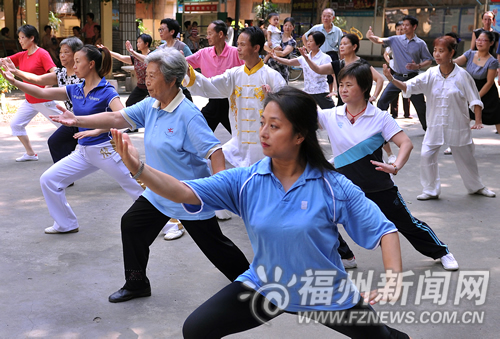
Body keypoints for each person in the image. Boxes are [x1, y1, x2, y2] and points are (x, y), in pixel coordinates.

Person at [110, 86, 411, 339]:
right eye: (262, 122)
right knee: (196, 329)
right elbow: (183, 192)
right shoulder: (246, 180)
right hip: (266, 286)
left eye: (274, 126)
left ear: (299, 135)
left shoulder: (333, 187)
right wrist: (139, 168)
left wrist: (393, 279)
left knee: (381, 337)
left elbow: (384, 230)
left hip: (322, 292)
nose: (263, 133)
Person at [49, 48, 250, 302]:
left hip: (188, 195)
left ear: (172, 79)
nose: (146, 81)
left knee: (216, 247)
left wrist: (218, 186)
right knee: (131, 225)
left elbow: (215, 151)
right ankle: (136, 284)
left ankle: (252, 283)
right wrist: (76, 119)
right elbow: (115, 116)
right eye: (147, 75)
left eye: (153, 76)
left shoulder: (188, 115)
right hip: (158, 191)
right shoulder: (151, 104)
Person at [320, 60, 459, 271]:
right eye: (341, 85)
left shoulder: (380, 117)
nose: (343, 89)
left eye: (349, 85)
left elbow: (406, 144)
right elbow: (299, 115)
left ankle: (441, 251)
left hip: (378, 185)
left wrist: (395, 166)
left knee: (407, 224)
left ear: (364, 87)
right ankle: (346, 256)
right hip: (344, 186)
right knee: (319, 215)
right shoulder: (331, 115)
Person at [0, 44, 145, 234]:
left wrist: (98, 130)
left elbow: (125, 118)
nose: (73, 66)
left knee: (135, 187)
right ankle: (65, 223)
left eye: (78, 61)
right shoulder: (75, 89)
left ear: (91, 64)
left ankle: (170, 223)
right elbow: (41, 92)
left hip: (105, 150)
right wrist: (14, 79)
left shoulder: (106, 91)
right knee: (49, 180)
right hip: (83, 152)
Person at [383, 36, 496, 200]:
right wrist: (392, 79)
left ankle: (477, 187)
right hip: (435, 124)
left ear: (452, 53)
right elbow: (410, 86)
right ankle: (430, 190)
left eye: (441, 51)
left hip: (458, 123)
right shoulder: (431, 74)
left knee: (466, 158)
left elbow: (475, 98)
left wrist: (478, 121)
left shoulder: (462, 76)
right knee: (426, 154)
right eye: (435, 50)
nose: (436, 54)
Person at [184, 26, 286, 168]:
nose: (238, 48)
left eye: (242, 45)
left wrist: (272, 100)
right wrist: (188, 72)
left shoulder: (272, 77)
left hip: (264, 146)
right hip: (238, 144)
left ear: (256, 48)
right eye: (238, 44)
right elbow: (209, 86)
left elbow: (287, 110)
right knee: (211, 164)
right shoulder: (233, 75)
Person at [2, 37, 84, 164]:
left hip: (89, 119)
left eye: (66, 52)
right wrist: (15, 73)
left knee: (100, 149)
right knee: (55, 142)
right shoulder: (61, 73)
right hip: (74, 119)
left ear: (77, 54)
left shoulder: (83, 75)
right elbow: (38, 79)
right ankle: (64, 175)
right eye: (60, 52)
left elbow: (43, 91)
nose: (62, 55)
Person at [2, 24, 61, 162]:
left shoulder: (42, 54)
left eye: (22, 37)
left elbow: (55, 73)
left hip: (44, 100)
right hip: (29, 101)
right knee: (16, 124)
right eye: (19, 38)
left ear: (32, 38)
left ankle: (84, 148)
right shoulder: (22, 55)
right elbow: (3, 61)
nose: (20, 41)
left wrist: (46, 89)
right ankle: (30, 153)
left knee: (67, 126)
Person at [367, 15, 433, 131]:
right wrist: (370, 37)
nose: (404, 27)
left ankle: (428, 129)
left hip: (412, 79)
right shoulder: (395, 39)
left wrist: (418, 66)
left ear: (414, 27)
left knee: (421, 106)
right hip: (396, 78)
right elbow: (379, 40)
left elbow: (428, 60)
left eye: (407, 25)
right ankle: (380, 127)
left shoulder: (420, 43)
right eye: (403, 25)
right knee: (382, 101)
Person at [185, 20, 243, 133]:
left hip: (231, 103)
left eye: (210, 33)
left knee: (240, 136)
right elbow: (183, 63)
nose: (207, 37)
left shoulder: (235, 53)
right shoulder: (204, 53)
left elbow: (251, 68)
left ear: (220, 34)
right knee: (198, 132)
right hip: (213, 102)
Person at [299, 33, 384, 106]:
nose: (342, 47)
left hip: (360, 106)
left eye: (345, 44)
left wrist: (374, 96)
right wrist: (307, 58)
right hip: (343, 106)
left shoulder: (362, 64)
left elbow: (380, 79)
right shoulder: (337, 64)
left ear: (354, 46)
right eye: (341, 44)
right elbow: (318, 69)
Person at [272, 31, 334, 108]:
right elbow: (289, 62)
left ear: (318, 44)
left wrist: (335, 91)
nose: (308, 43)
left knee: (330, 112)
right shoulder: (305, 57)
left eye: (311, 41)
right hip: (307, 91)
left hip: (321, 91)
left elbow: (333, 74)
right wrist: (276, 57)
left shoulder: (325, 58)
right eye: (308, 40)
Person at [454, 31, 500, 135]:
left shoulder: (492, 61)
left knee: (497, 119)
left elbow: (489, 82)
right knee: (463, 118)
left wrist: (476, 97)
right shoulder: (470, 54)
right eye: (478, 39)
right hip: (470, 90)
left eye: (484, 40)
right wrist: (445, 59)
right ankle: (454, 145)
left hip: (487, 94)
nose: (479, 42)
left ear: (491, 43)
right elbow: (456, 62)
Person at [302, 8, 343, 91]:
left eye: (328, 16)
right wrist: (309, 50)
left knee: (333, 76)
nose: (325, 18)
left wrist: (342, 60)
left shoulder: (337, 31)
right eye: (324, 16)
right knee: (318, 75)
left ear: (333, 18)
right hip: (319, 55)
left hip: (332, 55)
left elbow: (341, 46)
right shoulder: (316, 28)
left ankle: (331, 93)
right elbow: (304, 37)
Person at [384, 21, 411, 119]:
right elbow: (385, 54)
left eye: (402, 30)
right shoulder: (393, 42)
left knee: (407, 90)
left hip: (406, 70)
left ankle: (407, 113)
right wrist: (390, 62)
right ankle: (394, 113)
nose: (399, 32)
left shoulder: (409, 41)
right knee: (393, 91)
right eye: (398, 30)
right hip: (395, 70)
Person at [264, 17, 296, 83]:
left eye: (290, 26)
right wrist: (268, 49)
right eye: (286, 25)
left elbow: (283, 53)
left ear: (293, 27)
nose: (287, 27)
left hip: (281, 70)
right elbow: (266, 45)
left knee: (281, 91)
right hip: (270, 67)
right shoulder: (278, 35)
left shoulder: (292, 42)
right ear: (283, 26)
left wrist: (269, 50)